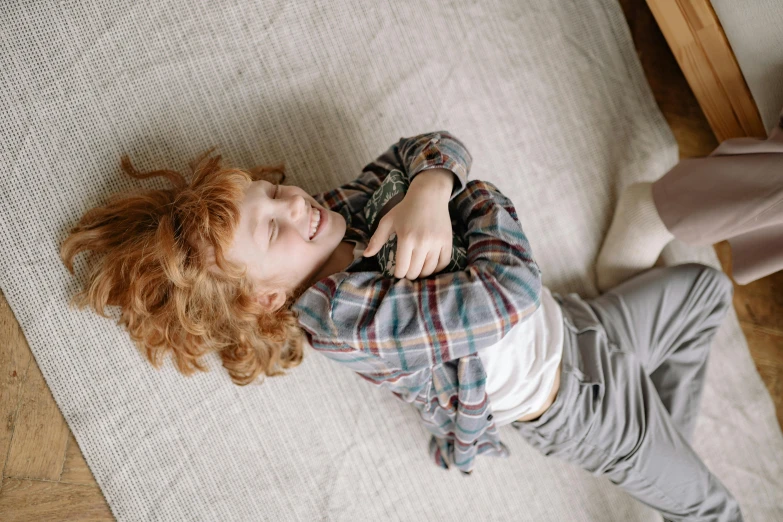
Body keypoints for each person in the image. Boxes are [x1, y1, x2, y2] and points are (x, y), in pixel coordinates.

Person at [60, 131, 742, 521]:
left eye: (270, 192)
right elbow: (510, 289)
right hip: (576, 403)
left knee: (704, 291)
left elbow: (426, 145)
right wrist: (466, 198)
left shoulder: (336, 211)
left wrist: (429, 189)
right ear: (266, 300)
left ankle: (662, 458)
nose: (293, 203)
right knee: (715, 510)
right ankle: (659, 464)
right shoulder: (348, 320)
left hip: (580, 325)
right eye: (274, 227)